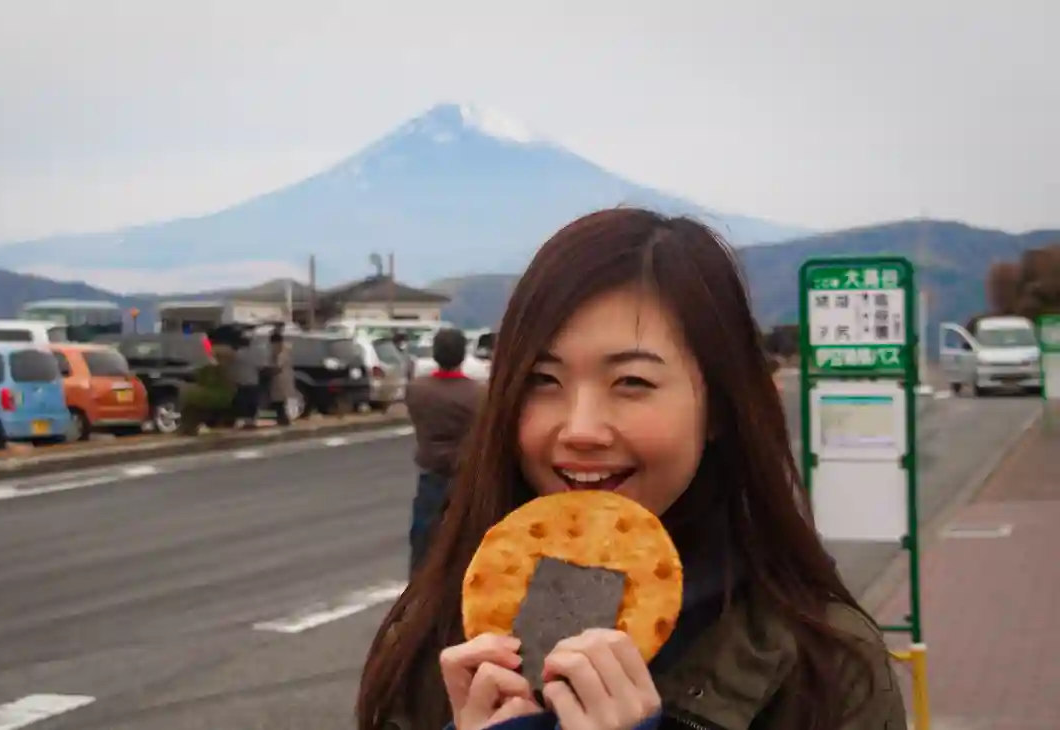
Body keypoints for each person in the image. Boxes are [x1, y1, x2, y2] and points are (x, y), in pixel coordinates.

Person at [355, 209, 905, 730]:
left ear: (718, 405)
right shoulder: (434, 642)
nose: (580, 429)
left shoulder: (825, 671)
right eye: (543, 380)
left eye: (632, 383)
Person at [405, 328, 482, 576]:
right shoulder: (479, 394)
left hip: (431, 473)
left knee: (424, 539)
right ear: (463, 354)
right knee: (469, 539)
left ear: (434, 353)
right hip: (467, 474)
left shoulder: (417, 389)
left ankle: (416, 595)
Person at [268, 329, 295, 426]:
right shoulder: (281, 350)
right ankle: (282, 419)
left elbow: (277, 367)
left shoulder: (281, 352)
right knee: (278, 401)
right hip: (280, 379)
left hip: (281, 379)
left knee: (279, 401)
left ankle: (283, 420)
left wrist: (267, 371)